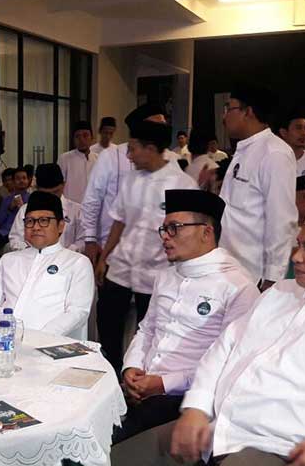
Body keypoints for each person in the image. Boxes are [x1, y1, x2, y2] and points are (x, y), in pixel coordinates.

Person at [115, 200, 305, 466]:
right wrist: (196, 407)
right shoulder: (281, 293)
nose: (296, 257)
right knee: (111, 464)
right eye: (298, 245)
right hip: (215, 428)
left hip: (281, 449)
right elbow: (223, 349)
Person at [115, 189, 258, 444]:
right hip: (142, 387)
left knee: (108, 449)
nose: (165, 237)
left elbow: (226, 366)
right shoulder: (166, 275)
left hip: (185, 401)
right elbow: (147, 329)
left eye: (175, 228)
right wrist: (132, 366)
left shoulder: (237, 286)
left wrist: (163, 384)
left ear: (206, 232)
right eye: (164, 229)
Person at [95, 119, 197, 374]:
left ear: (150, 149)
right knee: (107, 325)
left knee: (149, 334)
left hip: (157, 274)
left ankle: (139, 380)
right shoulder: (131, 179)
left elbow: (189, 235)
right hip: (121, 267)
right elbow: (119, 221)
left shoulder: (181, 184)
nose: (128, 156)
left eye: (133, 149)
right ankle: (110, 374)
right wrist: (104, 257)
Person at [218, 84, 298, 290]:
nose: (224, 117)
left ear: (248, 112)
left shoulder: (274, 153)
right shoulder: (244, 150)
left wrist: (272, 278)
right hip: (228, 268)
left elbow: (281, 220)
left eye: (229, 108)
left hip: (253, 275)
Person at [0, 192, 94, 340]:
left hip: (50, 345)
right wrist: (1, 330)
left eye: (43, 221)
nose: (35, 227)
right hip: (4, 341)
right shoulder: (8, 260)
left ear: (61, 226)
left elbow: (77, 312)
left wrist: (38, 338)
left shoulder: (77, 263)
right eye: (30, 221)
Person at [81, 103, 165, 265]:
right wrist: (90, 239)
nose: (163, 129)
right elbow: (92, 199)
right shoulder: (112, 156)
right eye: (158, 125)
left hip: (154, 252)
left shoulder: (170, 159)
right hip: (111, 248)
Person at [9, 163, 84, 252]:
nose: (51, 197)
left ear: (63, 185)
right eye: (46, 193)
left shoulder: (76, 210)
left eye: (55, 192)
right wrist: (32, 252)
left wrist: (66, 253)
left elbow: (82, 240)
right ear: (37, 189)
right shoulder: (25, 210)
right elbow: (15, 239)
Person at [0, 167, 31, 265]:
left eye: (24, 178)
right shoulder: (7, 199)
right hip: (5, 231)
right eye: (18, 179)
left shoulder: (32, 199)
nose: (21, 181)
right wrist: (10, 207)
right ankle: (1, 266)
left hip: (22, 231)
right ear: (13, 181)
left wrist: (22, 208)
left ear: (28, 181)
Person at [58, 121, 98, 204]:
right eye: (77, 136)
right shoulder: (65, 158)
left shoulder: (98, 159)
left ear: (92, 138)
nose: (81, 139)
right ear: (73, 139)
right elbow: (59, 186)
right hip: (71, 207)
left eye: (85, 135)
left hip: (93, 206)